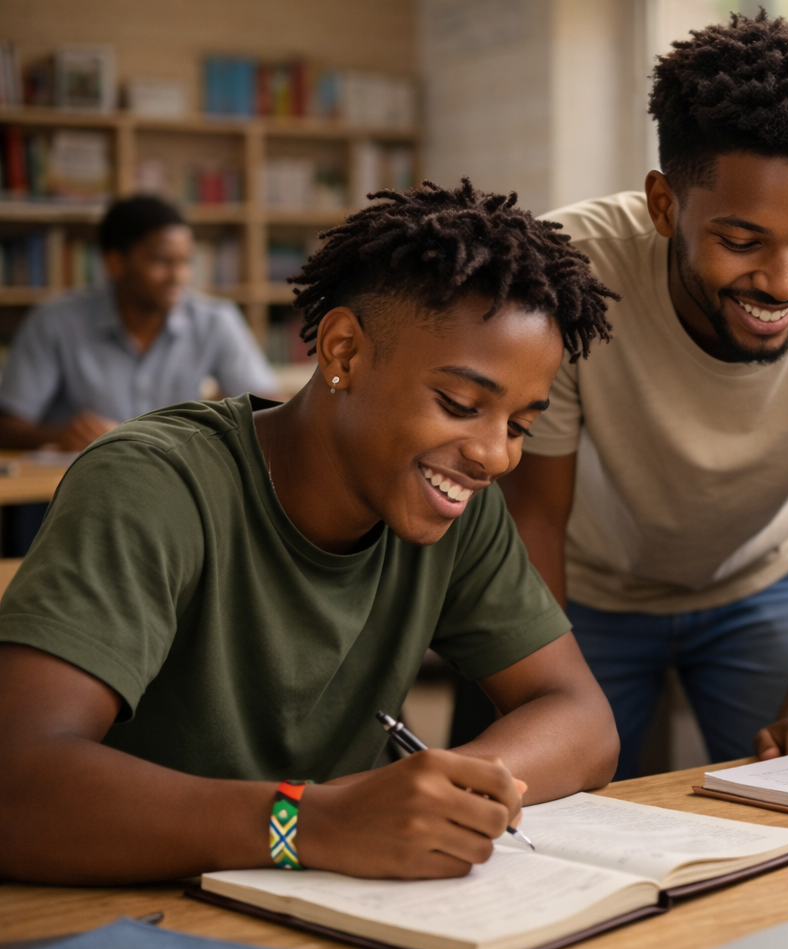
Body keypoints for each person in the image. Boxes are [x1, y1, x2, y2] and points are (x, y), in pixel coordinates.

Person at [0, 181, 622, 885]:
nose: (493, 455)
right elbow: (16, 783)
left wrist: (443, 793)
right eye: (459, 404)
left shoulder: (458, 505)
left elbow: (582, 719)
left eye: (519, 426)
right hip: (125, 914)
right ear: (343, 352)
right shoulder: (155, 483)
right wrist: (312, 820)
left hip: (331, 903)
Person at [503, 12, 788, 779]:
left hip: (767, 580)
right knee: (556, 802)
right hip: (585, 591)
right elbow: (534, 513)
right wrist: (552, 699)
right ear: (664, 206)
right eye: (741, 242)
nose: (783, 283)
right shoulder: (566, 270)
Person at [0, 194, 277, 451]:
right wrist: (58, 436)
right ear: (115, 262)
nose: (178, 276)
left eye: (185, 261)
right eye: (161, 261)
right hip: (80, 489)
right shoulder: (54, 322)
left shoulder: (215, 320)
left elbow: (271, 411)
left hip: (175, 487)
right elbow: (7, 427)